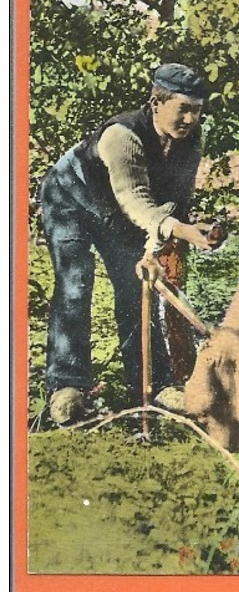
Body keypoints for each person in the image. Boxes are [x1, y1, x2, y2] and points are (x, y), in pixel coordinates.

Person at [41, 63, 220, 425]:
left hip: (117, 214)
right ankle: (67, 386)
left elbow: (176, 199)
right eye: (182, 108)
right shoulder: (122, 135)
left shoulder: (191, 141)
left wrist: (179, 233)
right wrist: (180, 230)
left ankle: (155, 385)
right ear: (156, 102)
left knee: (136, 286)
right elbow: (134, 199)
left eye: (197, 110)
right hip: (70, 200)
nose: (189, 118)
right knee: (75, 284)